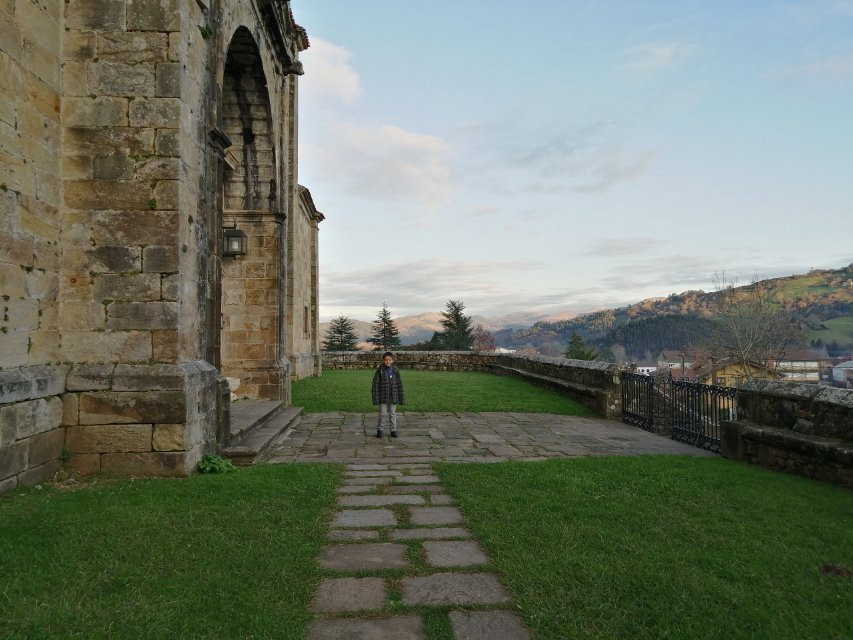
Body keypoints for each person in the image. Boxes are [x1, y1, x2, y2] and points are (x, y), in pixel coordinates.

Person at [371, 351, 405, 438]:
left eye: (389, 360)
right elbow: (375, 385)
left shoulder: (395, 370)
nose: (388, 361)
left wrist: (401, 398)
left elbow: (399, 385)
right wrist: (376, 398)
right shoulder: (380, 371)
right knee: (382, 413)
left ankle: (393, 430)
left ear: (392, 361)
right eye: (386, 360)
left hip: (393, 397)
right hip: (383, 397)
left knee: (393, 414)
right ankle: (380, 430)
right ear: (383, 361)